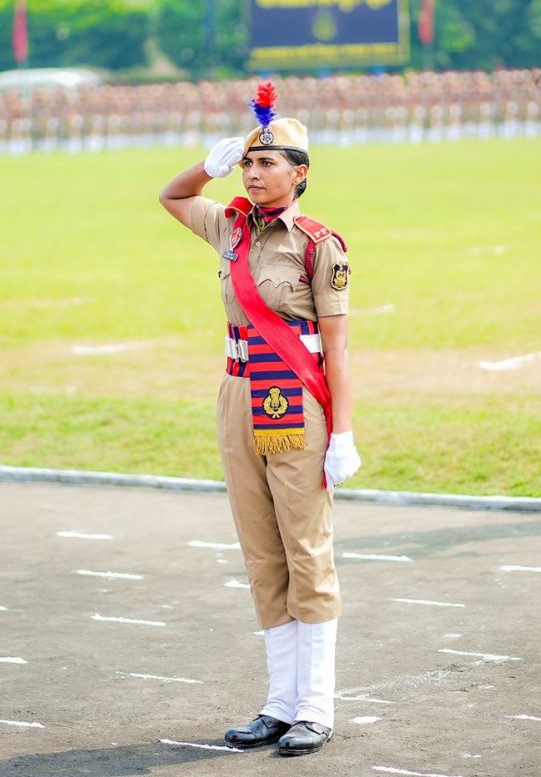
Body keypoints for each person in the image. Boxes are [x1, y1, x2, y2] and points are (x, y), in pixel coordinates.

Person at [159, 81, 361, 757]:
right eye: (246, 162)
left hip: (294, 396)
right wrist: (205, 167)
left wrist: (343, 433)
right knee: (261, 551)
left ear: (299, 173)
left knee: (306, 550)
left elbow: (336, 348)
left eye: (266, 162)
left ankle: (315, 707)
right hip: (238, 393)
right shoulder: (231, 226)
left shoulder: (317, 244)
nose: (252, 172)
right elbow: (173, 197)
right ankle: (278, 703)